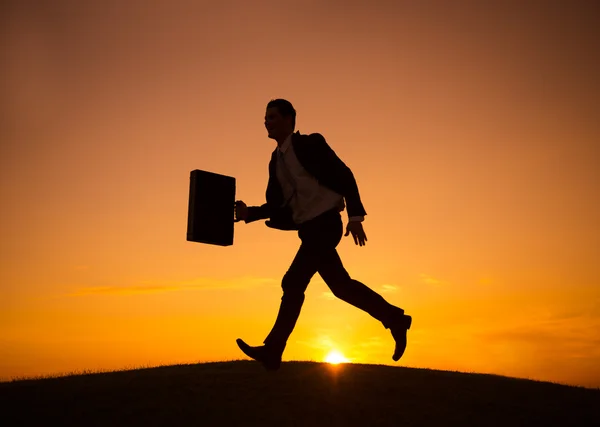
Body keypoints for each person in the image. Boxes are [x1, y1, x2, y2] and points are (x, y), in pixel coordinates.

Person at [234, 99, 412, 370]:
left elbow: (344, 174)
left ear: (289, 119)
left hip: (327, 224)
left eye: (271, 117)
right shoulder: (275, 160)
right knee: (341, 287)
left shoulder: (311, 144)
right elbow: (280, 205)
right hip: (309, 230)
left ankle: (273, 350)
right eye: (265, 117)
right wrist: (251, 213)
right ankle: (396, 319)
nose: (265, 122)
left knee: (292, 282)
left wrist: (355, 217)